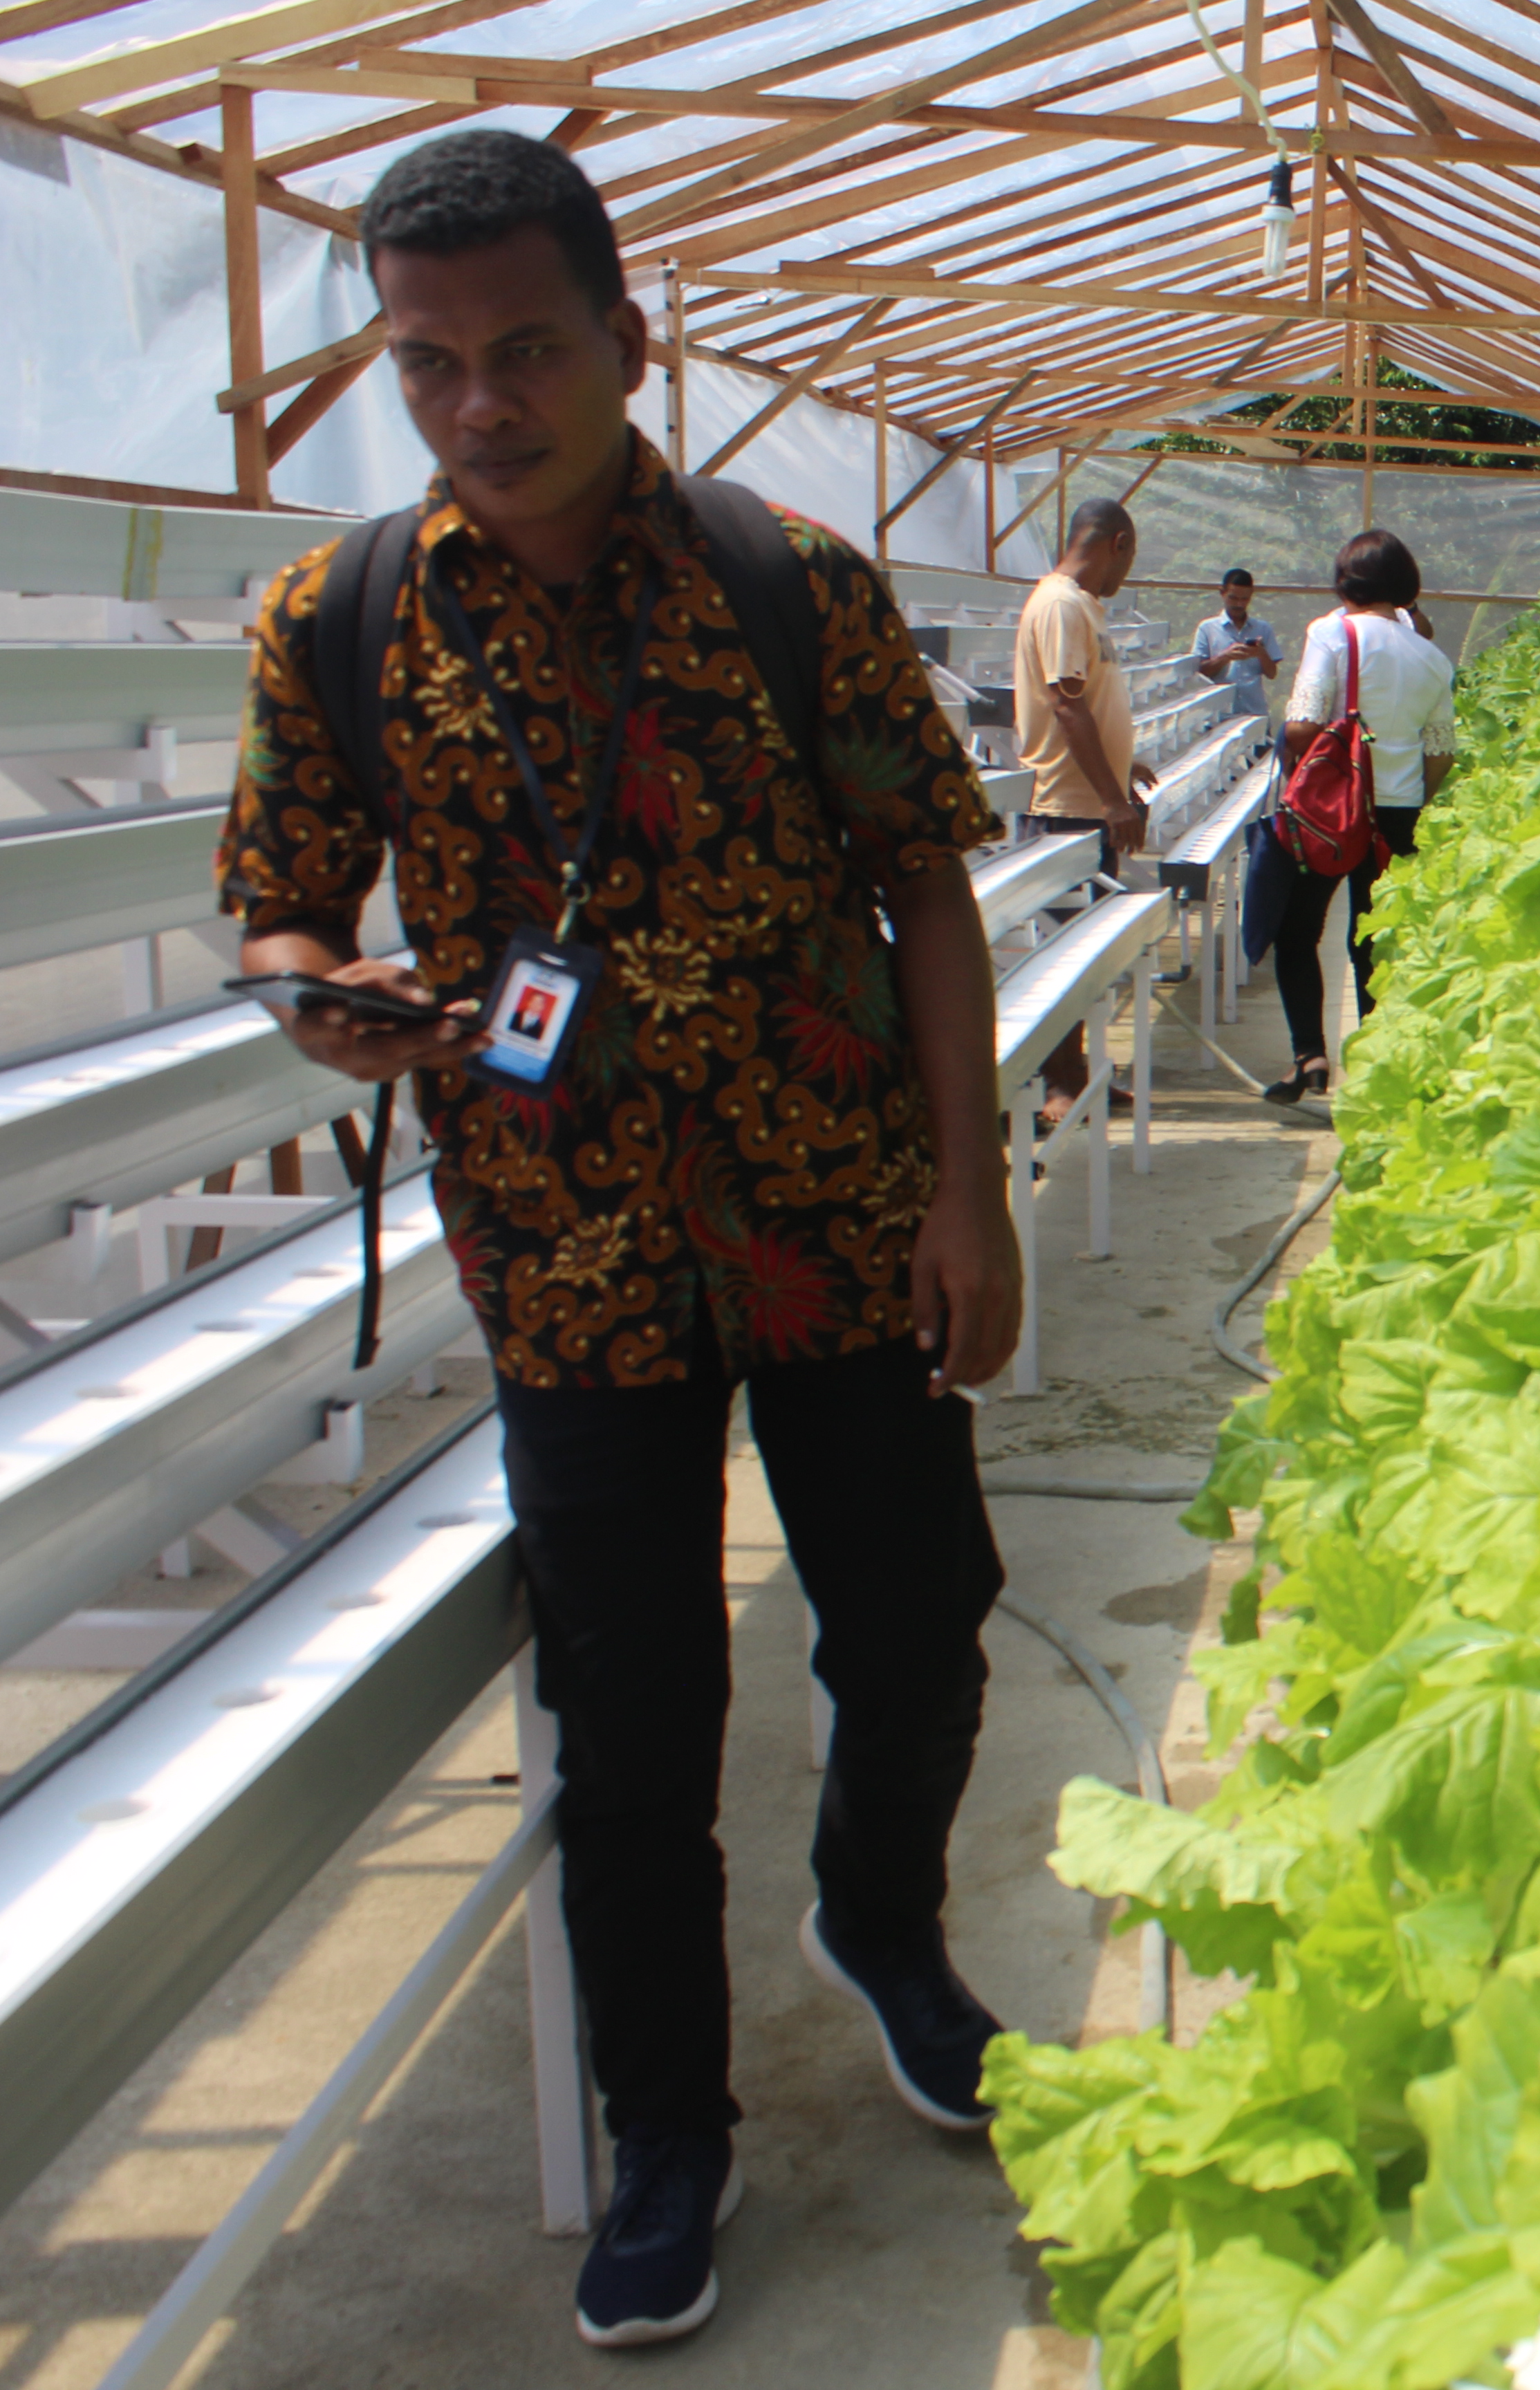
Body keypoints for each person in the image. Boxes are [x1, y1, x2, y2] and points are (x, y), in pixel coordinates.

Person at [215, 129, 1021, 2355]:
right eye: (432, 361)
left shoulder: (791, 579)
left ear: (623, 341)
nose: (485, 402)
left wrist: (974, 1190)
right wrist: (318, 1005)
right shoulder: (343, 617)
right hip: (564, 1260)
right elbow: (279, 897)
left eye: (528, 348)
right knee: (636, 1720)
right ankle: (670, 2128)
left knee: (928, 1615)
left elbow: (928, 887)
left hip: (839, 1222)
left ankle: (885, 1926)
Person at [1266, 529, 1457, 1102]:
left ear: (1345, 583)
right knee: (1373, 941)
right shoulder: (1431, 656)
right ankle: (1377, 1072)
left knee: (1297, 933)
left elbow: (1303, 724)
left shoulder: (1332, 632)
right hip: (1396, 814)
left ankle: (1310, 1058)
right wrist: (1404, 796)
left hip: (1331, 812)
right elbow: (1441, 752)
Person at [1012, 498, 1153, 1124]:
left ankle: (1079, 1071)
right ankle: (1058, 1085)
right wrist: (1111, 798)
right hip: (1067, 807)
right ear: (1117, 543)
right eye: (1131, 557)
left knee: (1083, 950)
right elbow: (1067, 708)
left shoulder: (1081, 607)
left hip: (1086, 801)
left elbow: (1090, 702)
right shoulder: (1064, 604)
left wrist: (1126, 766)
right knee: (1063, 950)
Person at [1191, 565, 1282, 721]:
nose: (1239, 604)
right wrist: (1225, 657)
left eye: (1244, 599)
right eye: (1233, 598)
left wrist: (1261, 654)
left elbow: (1272, 673)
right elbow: (1198, 672)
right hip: (1217, 717)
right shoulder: (1207, 628)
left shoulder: (1263, 628)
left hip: (1254, 715)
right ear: (1222, 593)